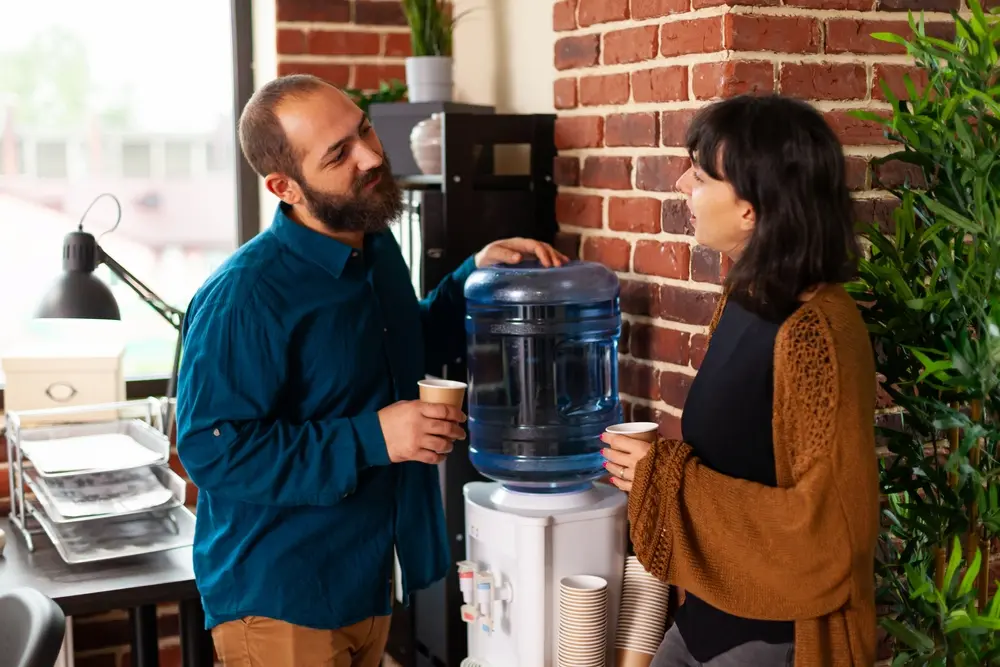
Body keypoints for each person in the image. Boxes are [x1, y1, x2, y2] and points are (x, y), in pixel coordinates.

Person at [175, 73, 567, 667]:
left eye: (364, 130)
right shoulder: (244, 295)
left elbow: (403, 347)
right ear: (284, 186)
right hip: (280, 599)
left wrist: (473, 277)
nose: (371, 156)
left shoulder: (375, 248)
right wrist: (374, 437)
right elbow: (212, 450)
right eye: (339, 154)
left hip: (368, 577)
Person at [601, 94, 879, 667]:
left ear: (751, 208)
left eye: (701, 176)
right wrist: (658, 470)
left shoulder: (816, 332)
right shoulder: (744, 300)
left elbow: (829, 533)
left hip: (774, 641)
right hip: (703, 621)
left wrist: (664, 476)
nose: (683, 185)